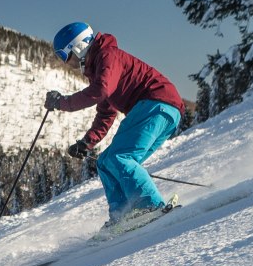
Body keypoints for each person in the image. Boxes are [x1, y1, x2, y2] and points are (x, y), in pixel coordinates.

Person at [44, 21, 185, 231]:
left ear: (79, 46)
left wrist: (62, 102)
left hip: (156, 104)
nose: (66, 63)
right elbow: (106, 112)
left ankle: (151, 206)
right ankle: (123, 213)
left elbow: (100, 92)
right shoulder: (100, 67)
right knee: (106, 161)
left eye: (65, 56)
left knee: (121, 158)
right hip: (162, 111)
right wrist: (86, 142)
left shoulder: (107, 56)